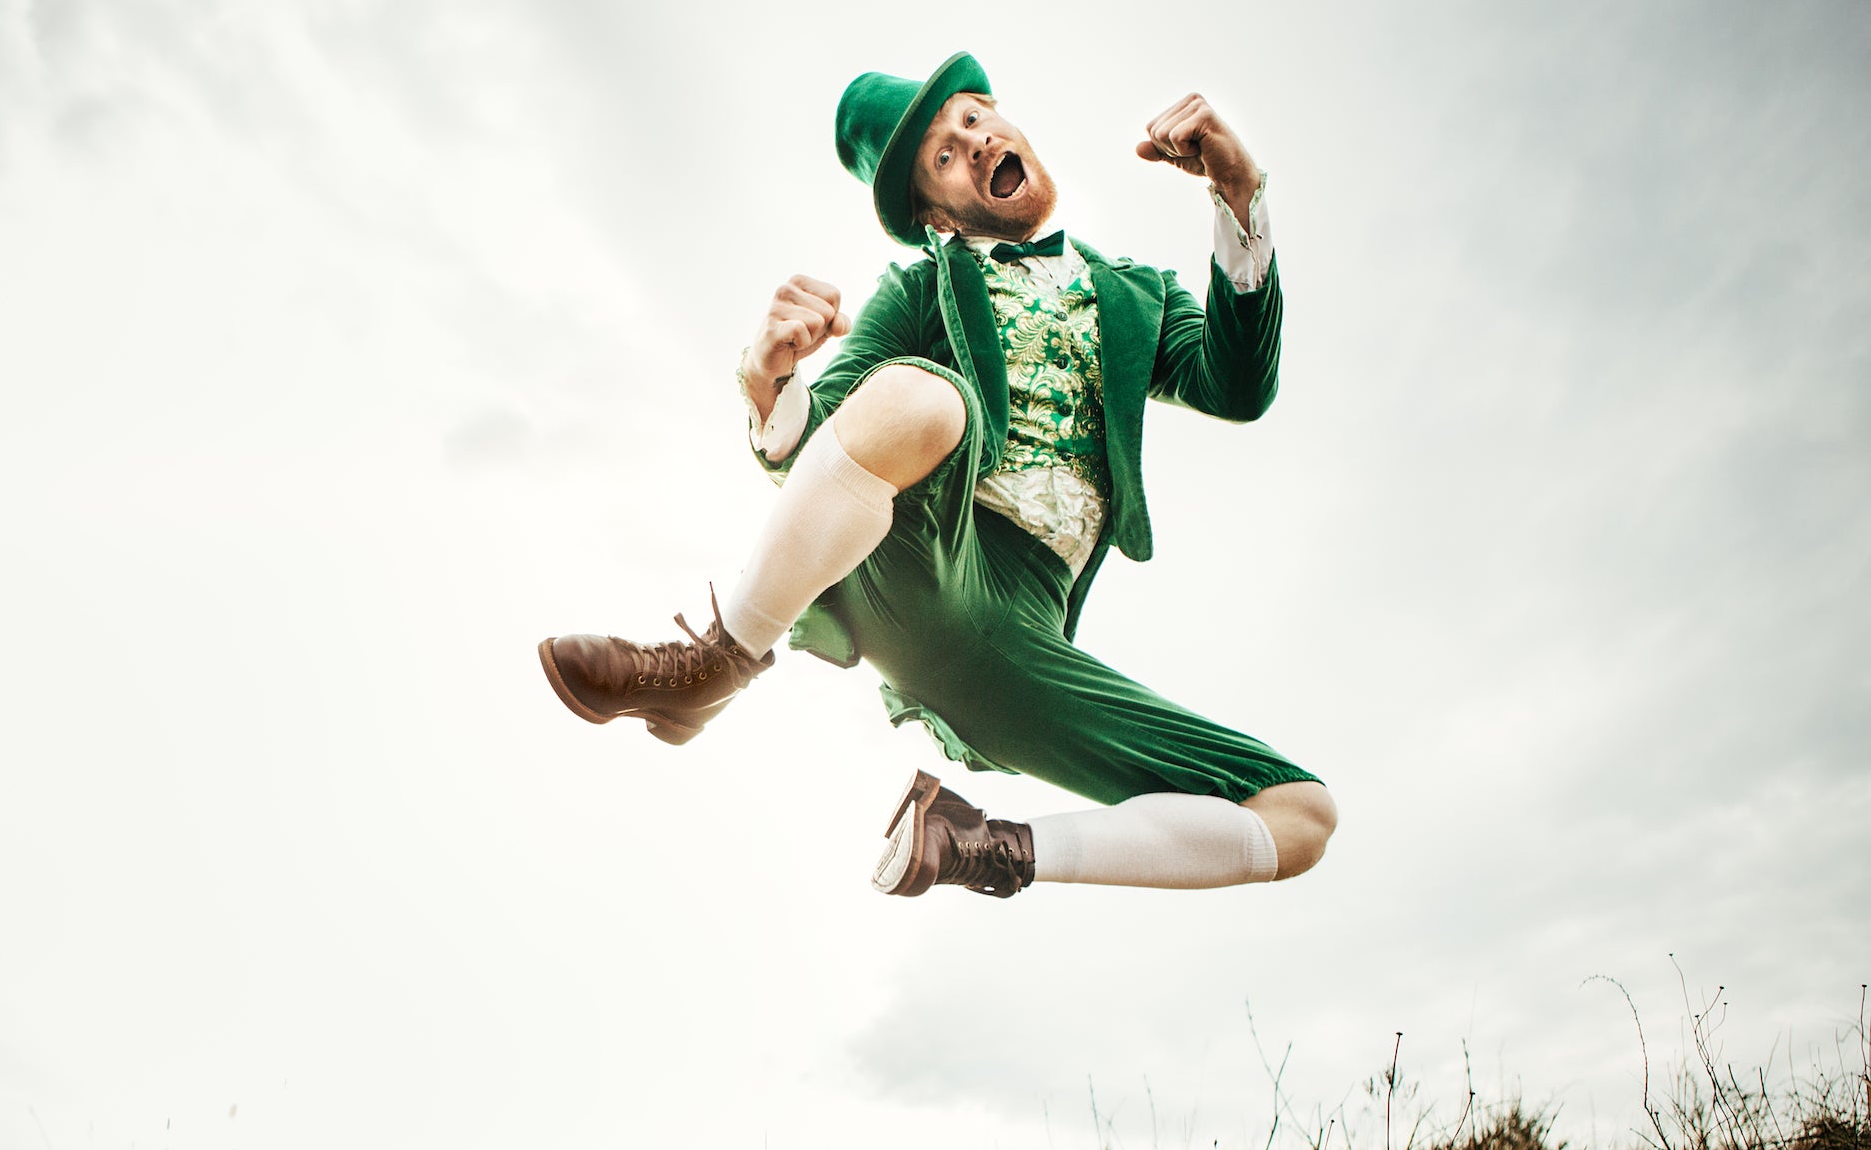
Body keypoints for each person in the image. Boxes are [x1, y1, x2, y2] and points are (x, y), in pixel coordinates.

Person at [537, 52, 1339, 900]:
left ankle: (979, 844)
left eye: (970, 119)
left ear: (1001, 115)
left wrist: (1240, 195)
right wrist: (767, 381)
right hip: (923, 559)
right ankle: (714, 662)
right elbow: (821, 443)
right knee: (922, 403)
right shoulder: (921, 290)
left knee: (1300, 813)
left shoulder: (1135, 295)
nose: (972, 142)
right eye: (944, 159)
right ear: (934, 213)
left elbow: (1237, 385)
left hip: (1018, 637)